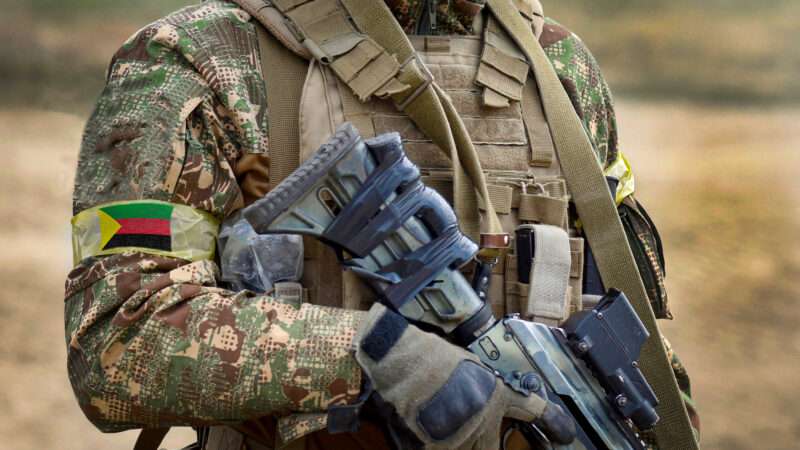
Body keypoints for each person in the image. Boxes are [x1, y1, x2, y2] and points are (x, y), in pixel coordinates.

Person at [65, 0, 698, 448]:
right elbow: (119, 344)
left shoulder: (560, 69)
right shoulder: (202, 61)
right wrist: (386, 358)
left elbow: (643, 350)